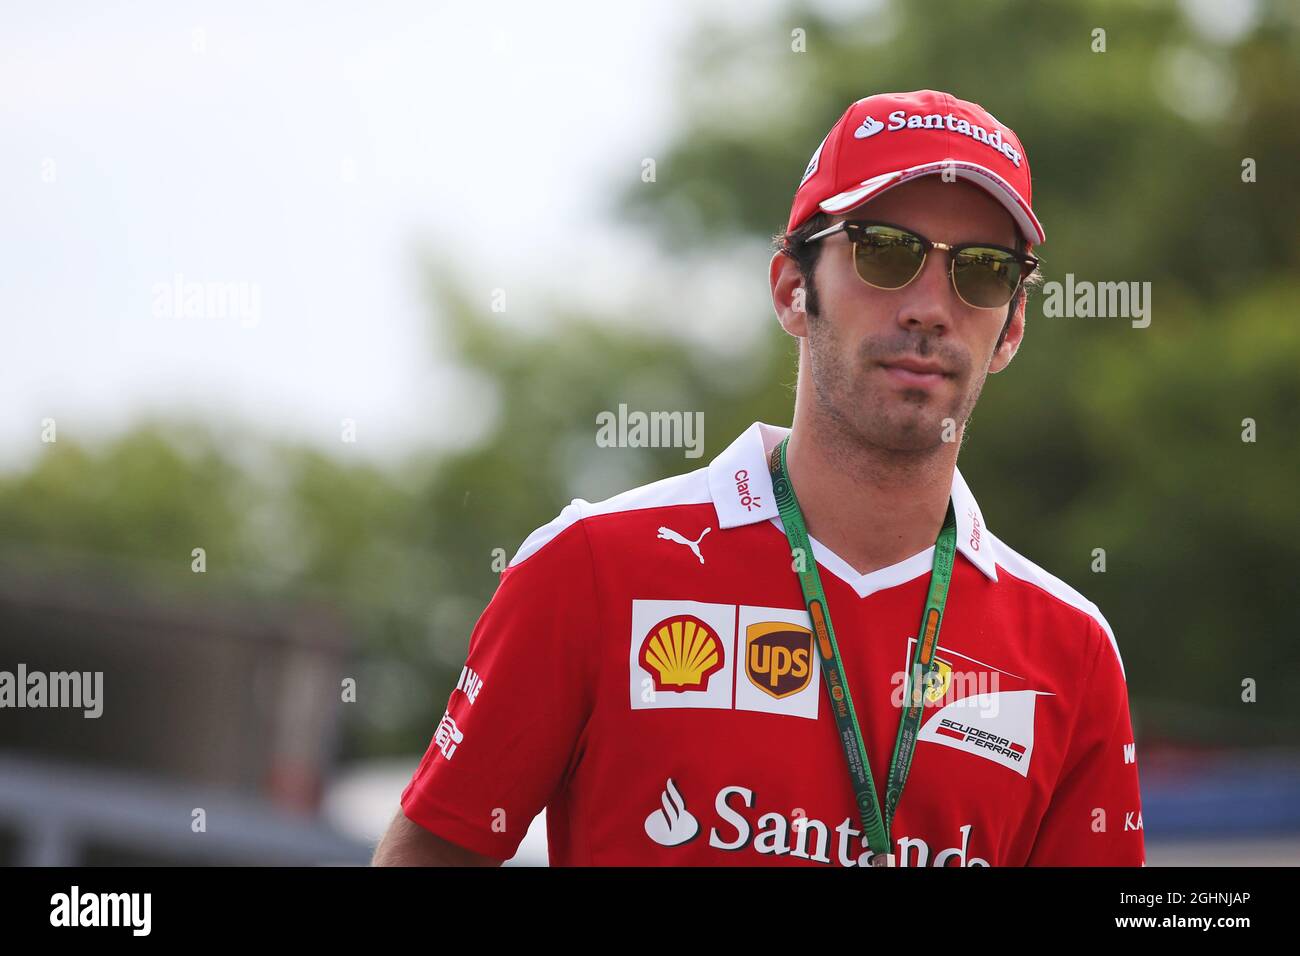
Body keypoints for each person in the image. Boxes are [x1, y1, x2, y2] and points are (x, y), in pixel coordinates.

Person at [374, 89, 1145, 867]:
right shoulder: (593, 567)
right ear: (791, 289)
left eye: (980, 271)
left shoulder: (1072, 651)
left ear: (1010, 326)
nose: (929, 308)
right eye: (884, 250)